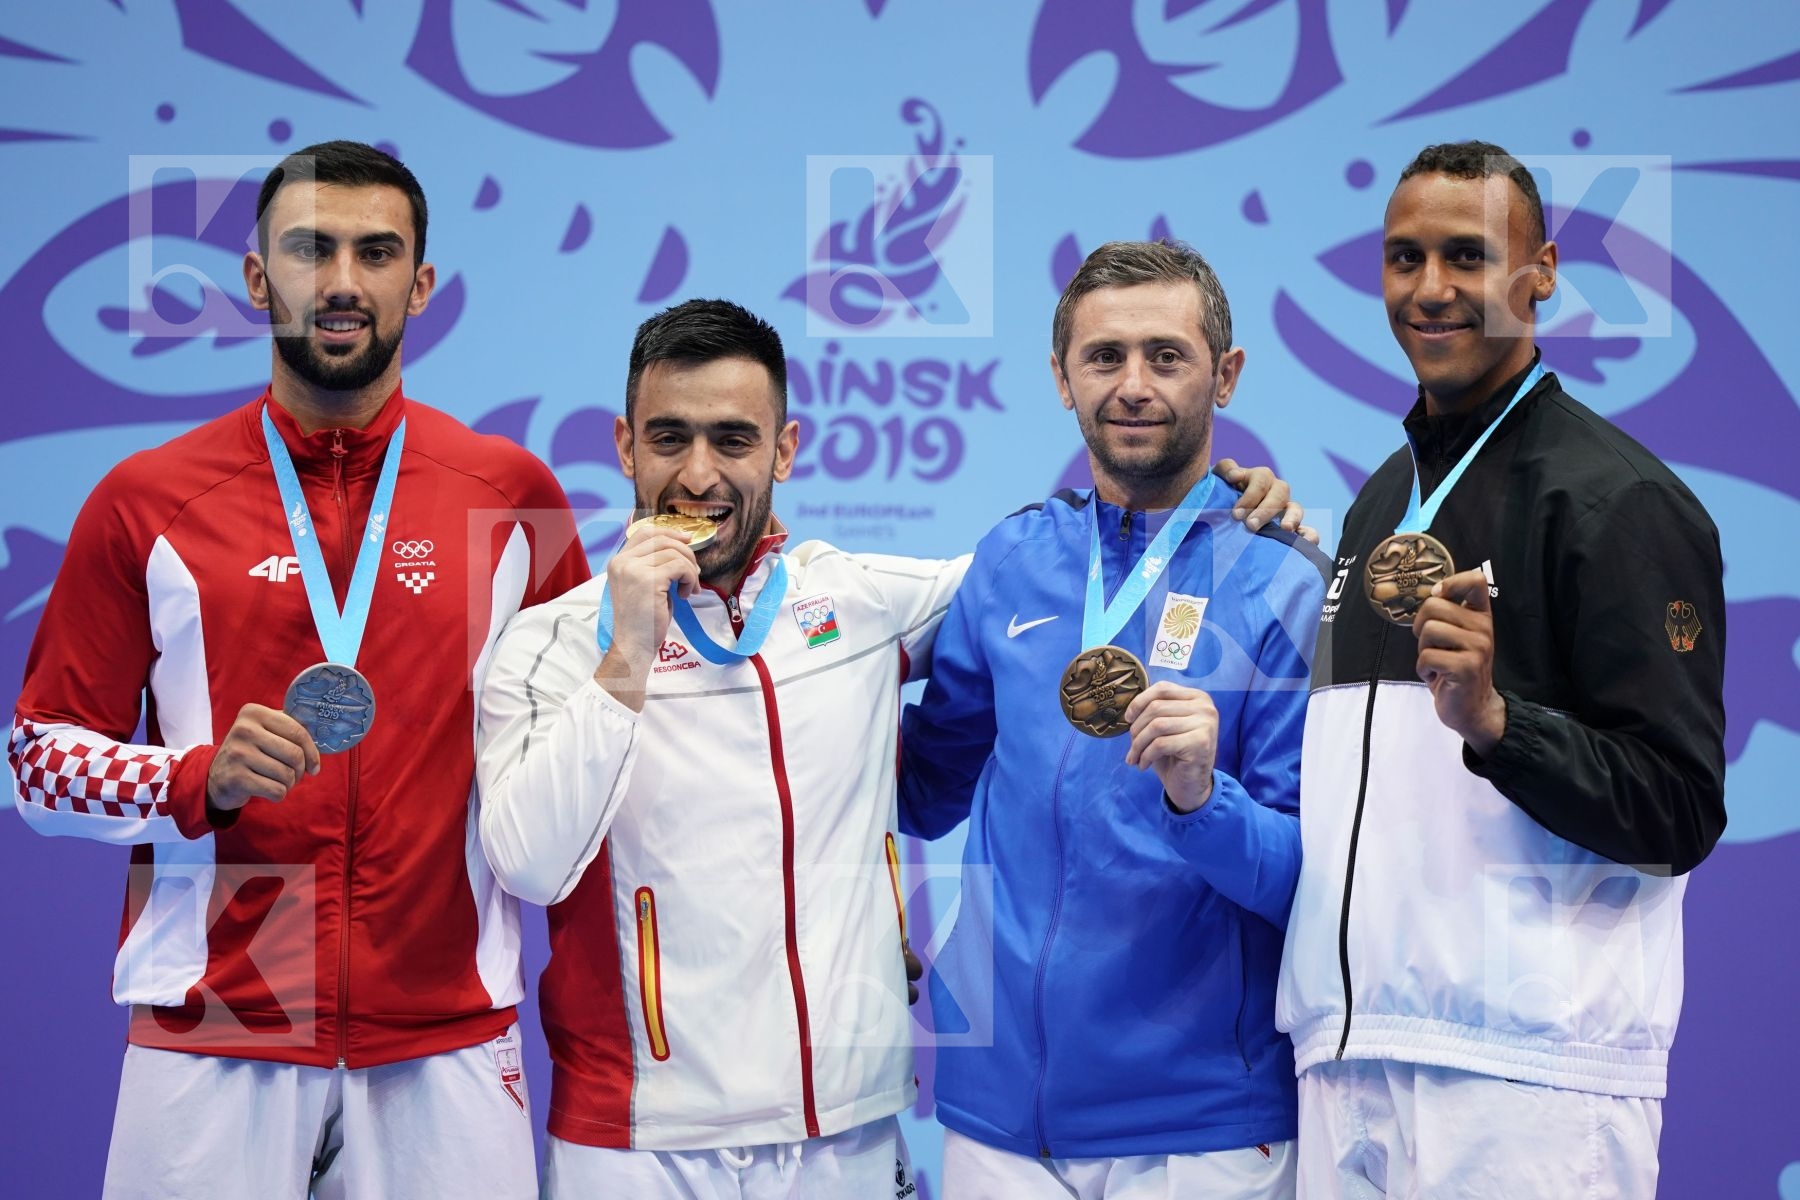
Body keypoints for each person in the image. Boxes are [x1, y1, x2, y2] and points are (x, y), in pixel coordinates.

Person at [473, 297, 1304, 1199]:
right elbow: (528, 865)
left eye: (734, 440)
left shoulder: (858, 604)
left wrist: (1229, 513)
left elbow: (1049, 576)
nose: (699, 475)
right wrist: (626, 654)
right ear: (625, 448)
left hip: (847, 1127)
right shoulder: (550, 645)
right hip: (637, 1135)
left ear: (784, 450)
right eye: (669, 439)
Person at [8, 141, 587, 1199]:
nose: (341, 282)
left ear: (419, 284)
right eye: (311, 249)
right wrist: (193, 780)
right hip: (220, 1013)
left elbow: (580, 768)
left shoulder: (510, 497)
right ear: (256, 275)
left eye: (375, 253)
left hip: (444, 1021)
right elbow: (36, 763)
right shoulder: (150, 499)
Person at [1275, 141, 1727, 1199]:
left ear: (1543, 272)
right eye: (1403, 258)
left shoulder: (1616, 502)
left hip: (1529, 1073)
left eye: (1467, 257)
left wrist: (1496, 723)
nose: (1429, 290)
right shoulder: (1383, 500)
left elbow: (1678, 810)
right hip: (1352, 1056)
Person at [897, 239, 1331, 1200]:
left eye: (1166, 356)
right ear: (1061, 377)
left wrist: (1199, 797)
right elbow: (923, 793)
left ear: (1227, 374)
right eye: (1105, 358)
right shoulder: (1010, 562)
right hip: (1000, 1115)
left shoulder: (1284, 584)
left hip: (1201, 1123)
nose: (1134, 385)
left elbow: (1316, 878)